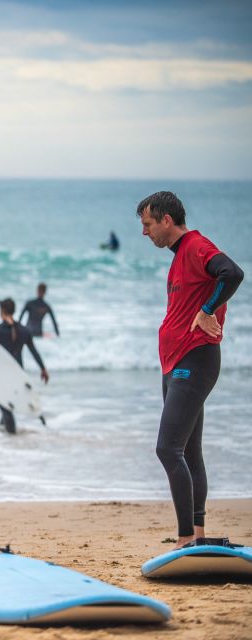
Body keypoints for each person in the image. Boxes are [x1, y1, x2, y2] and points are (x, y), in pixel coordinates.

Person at [137, 191, 243, 550]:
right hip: (177, 363)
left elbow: (233, 273)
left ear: (167, 219)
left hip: (193, 360)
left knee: (168, 449)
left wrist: (209, 309)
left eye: (148, 224)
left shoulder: (196, 247)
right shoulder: (181, 255)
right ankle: (197, 536)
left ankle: (184, 541)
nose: (144, 232)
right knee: (189, 451)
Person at [0, 298, 49, 434]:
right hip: (18, 374)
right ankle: (4, 433)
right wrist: (43, 369)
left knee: (5, 405)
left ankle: (12, 438)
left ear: (2, 311)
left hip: (2, 374)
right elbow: (34, 351)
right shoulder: (24, 331)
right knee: (7, 404)